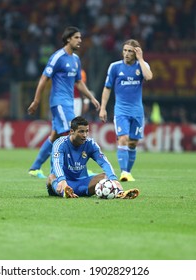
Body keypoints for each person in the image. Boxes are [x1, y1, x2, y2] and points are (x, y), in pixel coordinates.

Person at [27, 26, 100, 178]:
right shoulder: (57, 57)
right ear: (68, 39)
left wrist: (91, 98)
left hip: (69, 102)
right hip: (59, 102)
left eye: (80, 38)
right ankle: (74, 171)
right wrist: (36, 101)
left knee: (54, 136)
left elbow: (79, 82)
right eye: (77, 38)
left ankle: (35, 168)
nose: (80, 41)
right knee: (71, 133)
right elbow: (44, 79)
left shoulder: (76, 60)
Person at [99, 39, 153, 182]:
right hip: (121, 110)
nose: (126, 54)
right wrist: (103, 108)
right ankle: (123, 172)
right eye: (125, 50)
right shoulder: (115, 67)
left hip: (137, 112)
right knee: (123, 138)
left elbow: (148, 77)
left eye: (130, 51)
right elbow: (107, 88)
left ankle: (128, 172)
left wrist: (141, 59)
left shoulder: (142, 65)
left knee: (133, 143)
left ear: (136, 52)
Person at [46, 116, 139, 199]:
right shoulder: (60, 144)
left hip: (83, 183)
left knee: (105, 176)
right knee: (51, 177)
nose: (85, 135)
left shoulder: (90, 144)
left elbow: (104, 162)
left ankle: (120, 193)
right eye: (81, 131)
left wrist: (114, 180)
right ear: (71, 131)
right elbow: (57, 163)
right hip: (64, 183)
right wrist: (62, 180)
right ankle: (65, 192)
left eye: (87, 131)